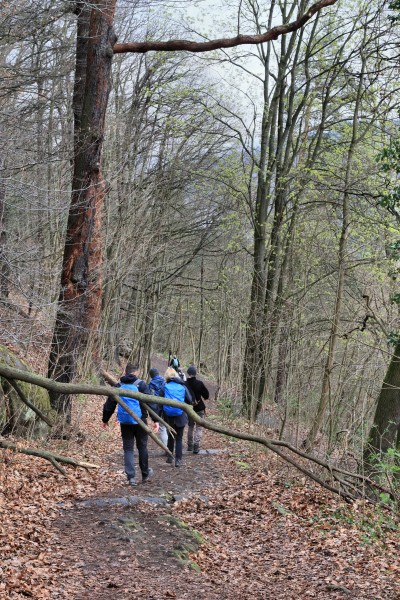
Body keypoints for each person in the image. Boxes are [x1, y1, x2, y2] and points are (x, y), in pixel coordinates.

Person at [102, 363, 159, 485]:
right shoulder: (142, 385)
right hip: (141, 421)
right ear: (136, 372)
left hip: (125, 422)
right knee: (142, 447)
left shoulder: (119, 385)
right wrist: (155, 420)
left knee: (128, 449)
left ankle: (131, 477)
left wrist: (105, 420)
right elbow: (151, 403)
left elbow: (110, 405)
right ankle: (145, 474)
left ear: (125, 372)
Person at [159, 367, 192, 467]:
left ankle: (169, 457)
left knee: (171, 436)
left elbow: (159, 401)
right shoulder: (182, 386)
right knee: (179, 438)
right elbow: (189, 400)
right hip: (180, 415)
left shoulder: (164, 386)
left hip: (168, 416)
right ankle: (178, 460)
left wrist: (158, 416)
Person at [185, 365, 209, 454]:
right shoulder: (199, 383)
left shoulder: (185, 384)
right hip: (199, 408)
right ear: (195, 374)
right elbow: (206, 395)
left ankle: (190, 446)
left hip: (189, 408)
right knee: (199, 427)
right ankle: (196, 446)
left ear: (188, 373)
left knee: (190, 426)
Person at [148, 367, 168, 447]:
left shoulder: (150, 385)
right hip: (167, 406)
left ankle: (167, 448)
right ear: (158, 373)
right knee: (169, 426)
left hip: (158, 408)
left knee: (162, 428)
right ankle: (171, 446)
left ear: (151, 375)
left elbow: (151, 398)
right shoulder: (165, 381)